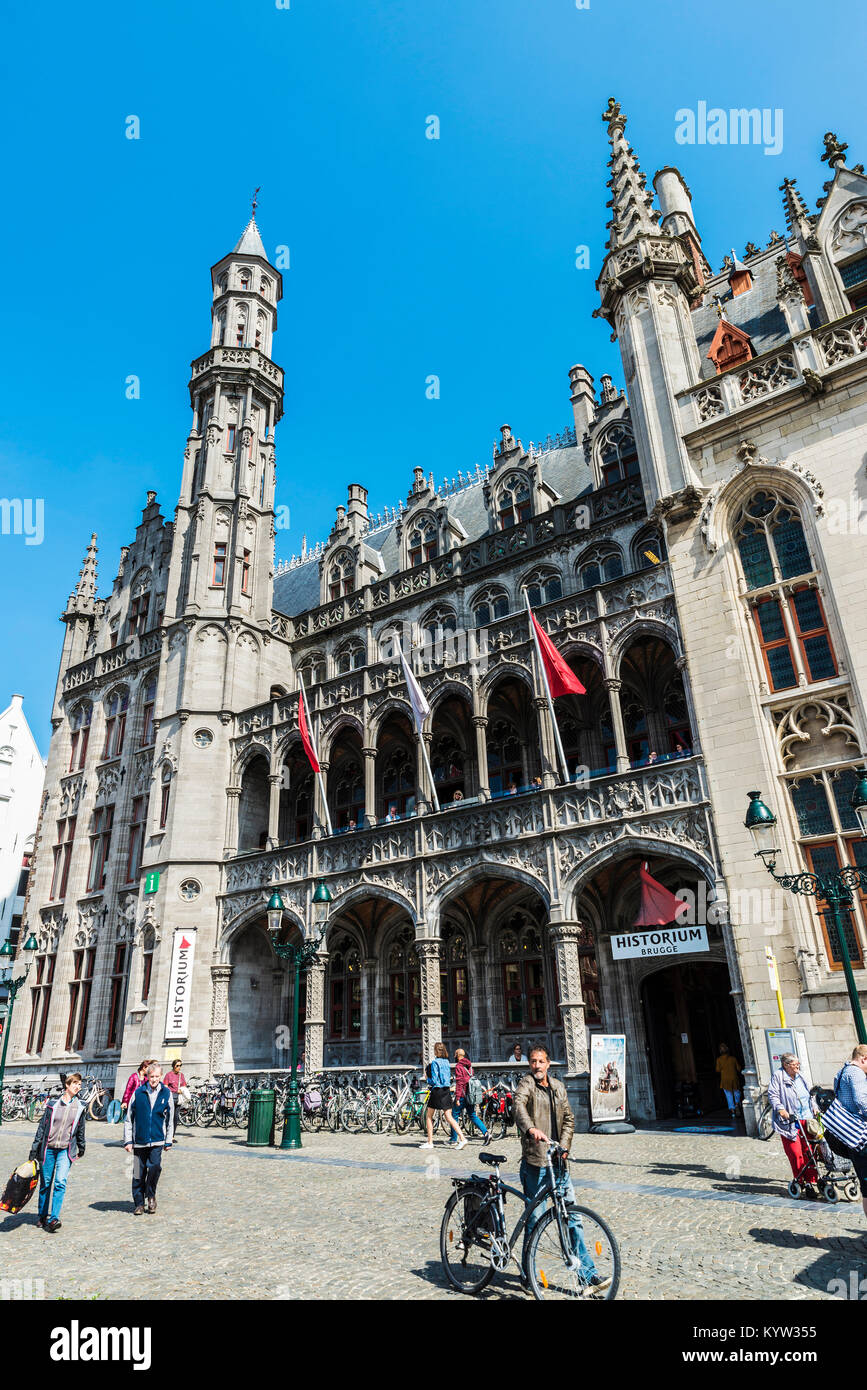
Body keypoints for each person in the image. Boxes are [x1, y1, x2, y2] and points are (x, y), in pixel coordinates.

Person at [515, 1047, 610, 1294]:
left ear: (549, 1064)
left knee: (572, 1218)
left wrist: (565, 1146)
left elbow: (569, 1119)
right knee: (535, 1219)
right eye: (533, 1062)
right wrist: (531, 1129)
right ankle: (527, 1274)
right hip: (536, 1164)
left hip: (558, 1164)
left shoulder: (558, 1087)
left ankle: (586, 1276)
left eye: (541, 1061)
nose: (536, 1066)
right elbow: (519, 1107)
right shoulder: (526, 1084)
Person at [29, 1072, 86, 1232]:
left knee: (60, 1182)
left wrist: (81, 1146)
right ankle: (42, 1215)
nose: (77, 1086)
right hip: (48, 1148)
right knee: (46, 1183)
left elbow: (80, 1129)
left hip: (65, 1151)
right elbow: (42, 1128)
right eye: (74, 1083)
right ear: (67, 1085)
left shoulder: (80, 1106)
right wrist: (34, 1149)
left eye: (79, 1084)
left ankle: (54, 1218)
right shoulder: (53, 1104)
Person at [823, 1043, 867, 1221]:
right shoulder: (856, 1073)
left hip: (850, 1136)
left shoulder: (841, 1073)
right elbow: (862, 1102)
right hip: (861, 1136)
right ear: (864, 1058)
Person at [123, 1061, 174, 1215]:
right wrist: (128, 1140)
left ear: (161, 1076)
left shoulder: (166, 1093)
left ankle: (150, 1195)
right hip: (139, 1141)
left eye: (157, 1076)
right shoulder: (138, 1093)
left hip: (157, 1140)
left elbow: (170, 1119)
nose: (154, 1079)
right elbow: (129, 1118)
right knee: (138, 1173)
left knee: (154, 1167)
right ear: (147, 1076)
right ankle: (139, 1203)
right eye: (151, 1076)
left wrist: (169, 1140)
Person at [768, 1052, 820, 1194]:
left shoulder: (800, 1075)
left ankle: (812, 1180)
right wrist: (781, 1110)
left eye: (798, 1063)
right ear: (786, 1065)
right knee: (795, 1153)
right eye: (795, 1064)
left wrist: (814, 1107)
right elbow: (772, 1095)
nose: (798, 1066)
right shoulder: (778, 1076)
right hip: (790, 1121)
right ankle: (801, 1180)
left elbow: (810, 1095)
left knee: (810, 1151)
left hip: (807, 1119)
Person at [419, 1042, 465, 1149]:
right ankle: (463, 1138)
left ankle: (430, 1142)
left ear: (436, 1051)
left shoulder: (435, 1063)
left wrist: (427, 1079)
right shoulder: (446, 1062)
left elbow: (434, 1080)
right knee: (449, 1117)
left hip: (437, 1091)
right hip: (446, 1091)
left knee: (429, 1116)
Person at [450, 1048, 490, 1145]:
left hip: (463, 1095)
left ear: (457, 1055)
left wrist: (458, 1098)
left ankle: (454, 1139)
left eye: (455, 1054)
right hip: (471, 1095)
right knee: (472, 1115)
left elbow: (460, 1083)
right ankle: (486, 1133)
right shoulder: (469, 1066)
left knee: (454, 1115)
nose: (454, 1056)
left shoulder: (459, 1066)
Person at [162, 1058, 188, 1140]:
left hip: (178, 1098)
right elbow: (165, 1086)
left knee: (175, 1117)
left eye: (180, 1065)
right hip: (171, 1098)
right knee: (169, 1117)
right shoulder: (168, 1075)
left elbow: (184, 1086)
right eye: (177, 1065)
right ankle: (166, 1134)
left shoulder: (181, 1075)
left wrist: (182, 1090)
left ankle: (172, 1136)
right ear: (173, 1066)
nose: (179, 1067)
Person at [715, 1042, 743, 1119]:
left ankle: (732, 1110)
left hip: (725, 1080)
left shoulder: (719, 1059)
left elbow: (717, 1070)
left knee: (728, 1095)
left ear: (720, 1051)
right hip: (734, 1078)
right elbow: (739, 1068)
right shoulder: (733, 1059)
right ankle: (737, 1103)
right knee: (736, 1092)